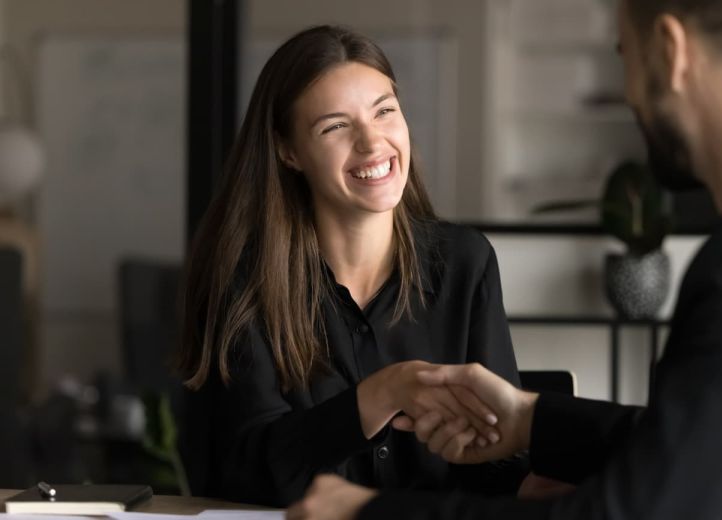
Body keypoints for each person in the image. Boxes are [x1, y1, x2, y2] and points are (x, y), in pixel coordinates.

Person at [288, 0, 722, 518]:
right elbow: (702, 443)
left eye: (624, 57)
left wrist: (366, 512)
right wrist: (532, 420)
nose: (632, 91)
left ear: (670, 50)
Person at [176, 25, 526, 508]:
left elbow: (501, 462)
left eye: (385, 111)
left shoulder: (465, 263)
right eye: (335, 126)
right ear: (288, 151)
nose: (372, 142)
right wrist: (380, 394)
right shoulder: (243, 279)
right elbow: (241, 475)